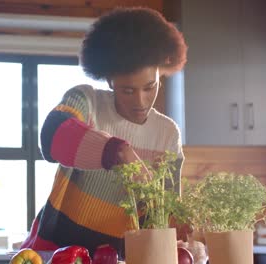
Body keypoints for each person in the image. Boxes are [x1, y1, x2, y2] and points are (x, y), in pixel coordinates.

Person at [20, 6, 187, 258]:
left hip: (116, 257)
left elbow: (163, 215)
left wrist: (182, 237)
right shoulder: (87, 102)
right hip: (57, 251)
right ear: (110, 81)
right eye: (128, 91)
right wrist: (119, 152)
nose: (141, 101)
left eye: (149, 87)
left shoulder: (167, 134)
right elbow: (52, 138)